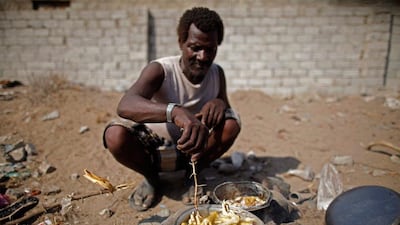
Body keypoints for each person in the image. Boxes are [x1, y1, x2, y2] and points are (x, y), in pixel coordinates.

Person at [103, 7, 241, 212]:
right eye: (195, 47)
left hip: (193, 150)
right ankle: (152, 179)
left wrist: (220, 103)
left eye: (210, 49)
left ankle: (192, 176)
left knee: (232, 124)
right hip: (154, 149)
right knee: (114, 135)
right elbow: (125, 105)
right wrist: (175, 112)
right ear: (181, 43)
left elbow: (225, 107)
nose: (202, 57)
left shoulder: (217, 73)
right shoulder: (161, 69)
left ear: (216, 47)